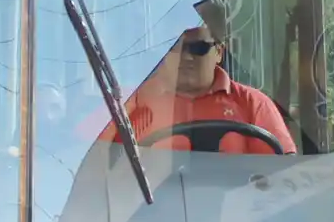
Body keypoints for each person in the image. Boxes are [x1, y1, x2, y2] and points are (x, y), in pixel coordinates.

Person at [78, 19, 296, 156]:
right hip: (146, 219)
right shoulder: (130, 101)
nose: (187, 57)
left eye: (199, 48)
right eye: (176, 46)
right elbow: (81, 157)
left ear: (219, 52)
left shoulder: (252, 103)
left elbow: (279, 172)